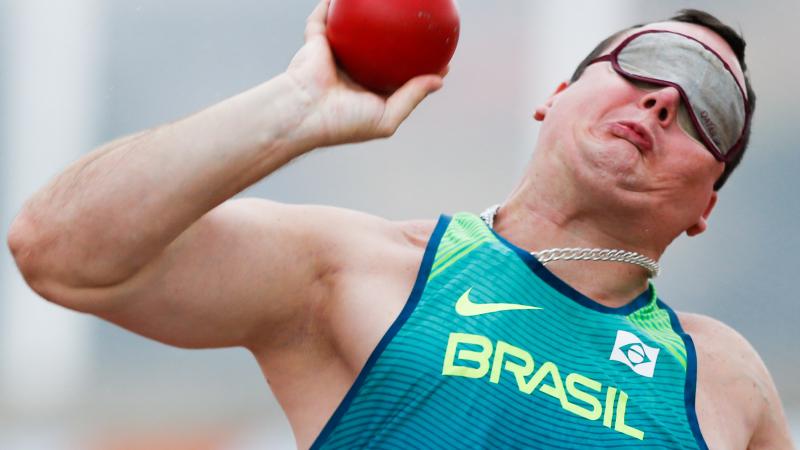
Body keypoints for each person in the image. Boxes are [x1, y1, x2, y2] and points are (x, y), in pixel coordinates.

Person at [6, 1, 794, 449]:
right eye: (646, 64)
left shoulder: (722, 382)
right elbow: (61, 252)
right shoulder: (364, 271)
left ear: (706, 206)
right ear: (554, 93)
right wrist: (295, 111)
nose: (663, 100)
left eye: (708, 110)